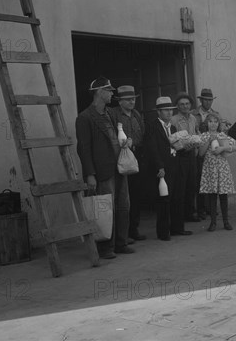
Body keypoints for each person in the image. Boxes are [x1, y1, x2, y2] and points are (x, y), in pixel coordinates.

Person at [75, 76, 133, 258]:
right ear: (99, 92)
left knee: (123, 206)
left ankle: (121, 243)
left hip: (119, 168)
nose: (111, 93)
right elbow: (83, 149)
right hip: (102, 171)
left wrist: (126, 142)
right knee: (105, 209)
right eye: (109, 90)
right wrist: (90, 175)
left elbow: (118, 135)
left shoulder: (111, 114)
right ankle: (106, 247)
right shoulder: (85, 118)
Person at [145, 96, 192, 240]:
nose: (169, 113)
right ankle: (163, 232)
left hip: (175, 164)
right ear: (158, 112)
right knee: (164, 199)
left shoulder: (172, 127)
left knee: (178, 196)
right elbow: (152, 148)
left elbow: (176, 146)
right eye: (165, 110)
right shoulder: (152, 126)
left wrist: (186, 147)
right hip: (163, 167)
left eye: (170, 110)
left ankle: (177, 228)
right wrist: (159, 166)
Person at [110, 85, 146, 242]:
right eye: (128, 99)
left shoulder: (137, 114)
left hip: (136, 157)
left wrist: (135, 143)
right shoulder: (113, 114)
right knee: (123, 197)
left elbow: (142, 133)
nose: (132, 102)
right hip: (121, 158)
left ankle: (134, 229)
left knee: (136, 194)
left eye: (133, 99)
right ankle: (121, 234)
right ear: (120, 101)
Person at [198, 113, 236, 231]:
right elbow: (200, 153)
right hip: (210, 168)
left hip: (222, 168)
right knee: (212, 195)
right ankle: (213, 222)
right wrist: (209, 141)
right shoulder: (204, 136)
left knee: (223, 195)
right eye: (210, 121)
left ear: (218, 124)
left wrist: (223, 148)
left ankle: (226, 221)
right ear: (207, 124)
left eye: (215, 122)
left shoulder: (222, 135)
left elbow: (234, 147)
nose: (213, 124)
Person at [191, 88, 225, 220]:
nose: (208, 102)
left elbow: (221, 130)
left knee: (213, 180)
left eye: (210, 100)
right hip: (201, 148)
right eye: (206, 100)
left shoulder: (216, 114)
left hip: (214, 150)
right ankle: (200, 210)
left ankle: (211, 208)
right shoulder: (194, 114)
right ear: (201, 100)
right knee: (201, 180)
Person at [171, 93, 200, 223]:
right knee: (180, 185)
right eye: (182, 104)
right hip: (180, 155)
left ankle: (190, 212)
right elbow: (172, 139)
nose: (185, 106)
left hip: (192, 155)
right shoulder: (174, 120)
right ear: (177, 106)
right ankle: (180, 215)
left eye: (187, 103)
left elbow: (196, 133)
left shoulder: (193, 118)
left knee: (191, 184)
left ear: (190, 105)